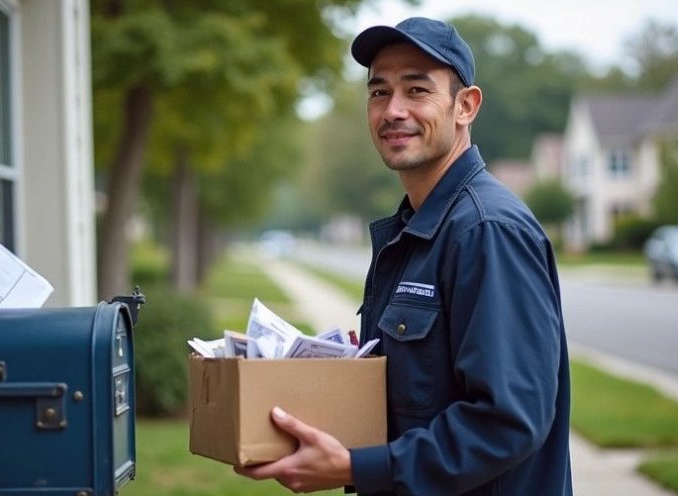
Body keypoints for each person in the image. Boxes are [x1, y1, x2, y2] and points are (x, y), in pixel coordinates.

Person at [234, 17, 572, 495]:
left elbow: (508, 420)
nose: (393, 110)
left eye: (417, 90)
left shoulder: (485, 230)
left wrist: (358, 468)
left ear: (466, 106)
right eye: (378, 93)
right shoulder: (415, 229)